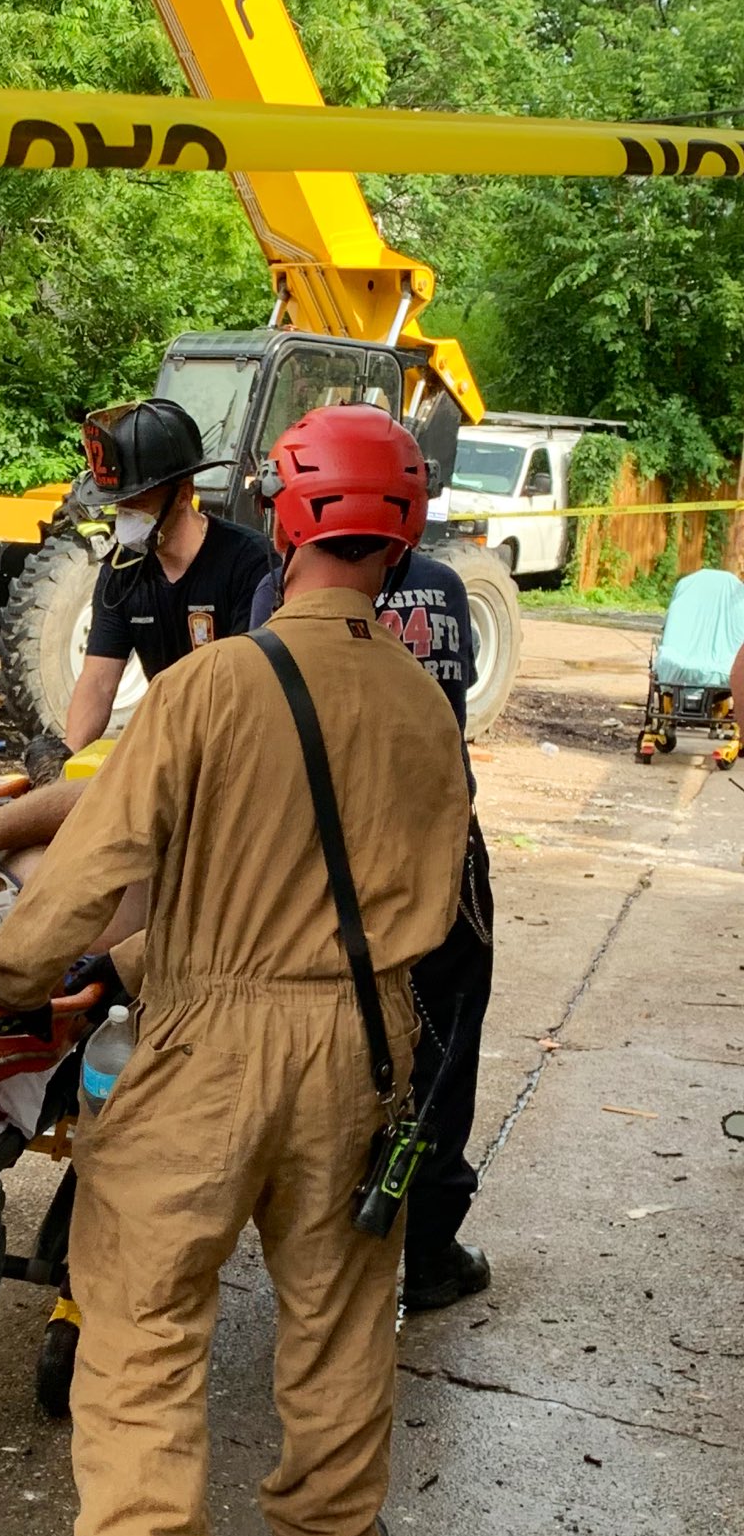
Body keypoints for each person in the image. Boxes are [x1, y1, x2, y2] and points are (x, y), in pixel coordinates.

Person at [0, 403, 469, 1536]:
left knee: (140, 1311)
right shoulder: (423, 708)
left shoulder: (205, 689)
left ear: (286, 517)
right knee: (340, 1315)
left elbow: (94, 867)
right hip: (365, 1049)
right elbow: (386, 897)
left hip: (205, 1048)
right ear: (402, 528)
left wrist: (6, 972)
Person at [252, 547, 493, 1311]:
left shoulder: (272, 596)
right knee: (443, 1048)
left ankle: (330, 1232)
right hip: (435, 846)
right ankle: (425, 1248)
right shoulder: (447, 588)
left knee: (338, 1036)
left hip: (322, 848)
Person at [0, 397, 272, 864]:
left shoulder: (247, 564)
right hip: (167, 749)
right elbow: (97, 680)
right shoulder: (122, 572)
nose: (125, 512)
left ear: (184, 487)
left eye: (138, 500)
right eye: (118, 503)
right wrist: (66, 755)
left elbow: (250, 696)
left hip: (235, 755)